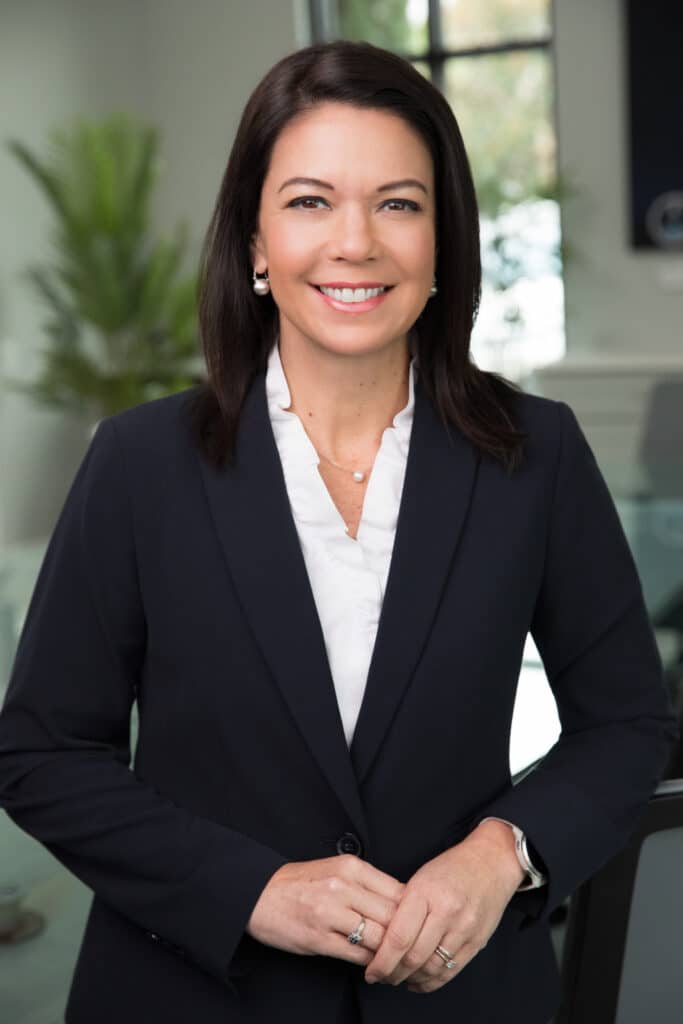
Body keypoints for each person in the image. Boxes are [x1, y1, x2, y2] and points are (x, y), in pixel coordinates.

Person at [0, 39, 678, 1024]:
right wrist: (251, 888)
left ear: (442, 238)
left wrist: (502, 853)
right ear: (254, 243)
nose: (353, 242)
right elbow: (42, 751)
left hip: (465, 997)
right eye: (310, 201)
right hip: (193, 996)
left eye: (396, 202)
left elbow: (625, 722)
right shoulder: (138, 464)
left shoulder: (535, 455)